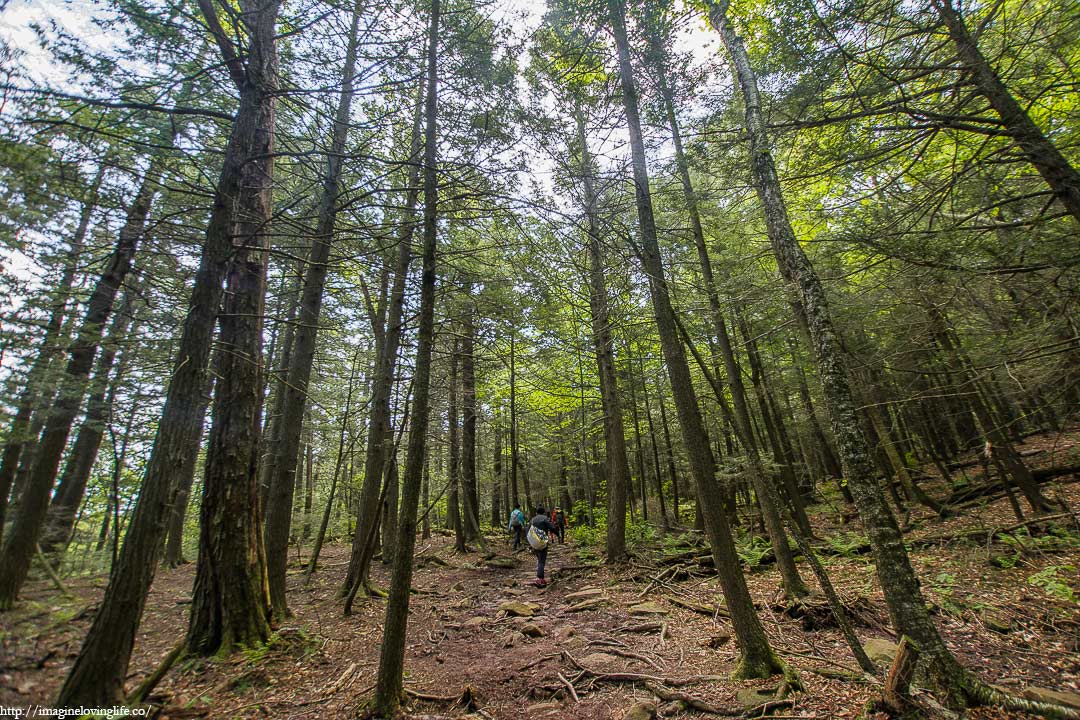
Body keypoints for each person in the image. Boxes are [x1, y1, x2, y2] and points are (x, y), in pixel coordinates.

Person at [528, 506, 558, 586]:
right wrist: (557, 533)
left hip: (534, 541)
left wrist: (530, 541)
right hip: (542, 541)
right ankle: (540, 578)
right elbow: (552, 528)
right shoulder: (545, 518)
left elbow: (527, 529)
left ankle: (539, 576)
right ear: (544, 512)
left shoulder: (532, 519)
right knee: (542, 560)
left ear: (536, 512)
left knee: (539, 558)